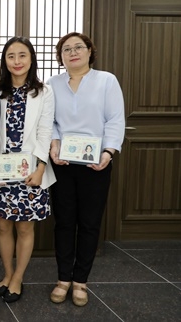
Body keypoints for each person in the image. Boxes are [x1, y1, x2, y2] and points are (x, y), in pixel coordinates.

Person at [47, 32, 125, 307]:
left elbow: (115, 119)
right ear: (61, 57)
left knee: (90, 224)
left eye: (78, 47)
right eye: (66, 49)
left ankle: (81, 281)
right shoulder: (53, 84)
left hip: (95, 165)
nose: (73, 53)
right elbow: (50, 121)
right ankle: (63, 278)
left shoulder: (106, 81)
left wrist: (108, 152)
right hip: (63, 165)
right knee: (65, 222)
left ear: (90, 51)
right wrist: (54, 145)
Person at [0, 37, 56, 303]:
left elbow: (46, 132)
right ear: (4, 60)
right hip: (1, 171)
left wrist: (40, 167)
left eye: (22, 55)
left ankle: (18, 277)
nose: (16, 61)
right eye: (11, 56)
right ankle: (7, 272)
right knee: (2, 227)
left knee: (25, 229)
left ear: (31, 59)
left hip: (29, 172)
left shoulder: (43, 92)